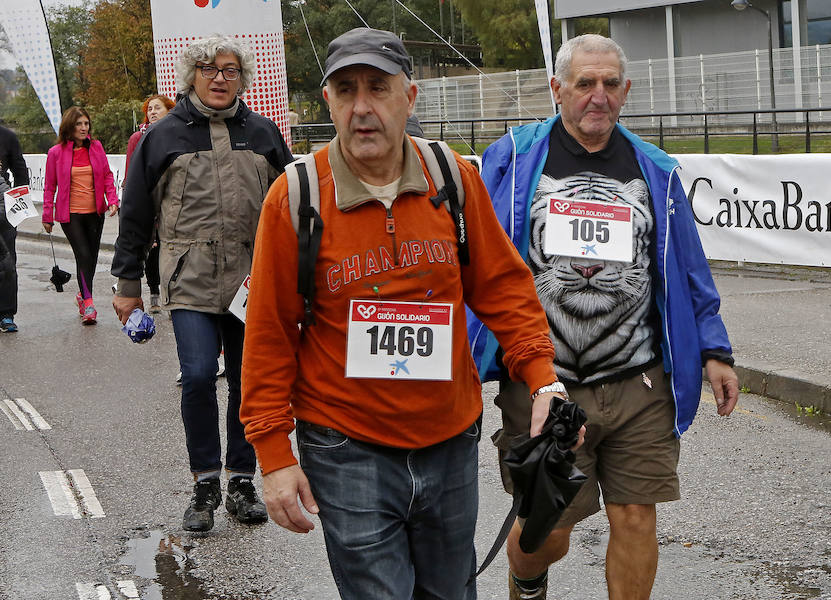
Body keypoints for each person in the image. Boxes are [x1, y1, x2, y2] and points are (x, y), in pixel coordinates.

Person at [239, 27, 569, 599]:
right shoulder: (296, 198)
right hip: (347, 446)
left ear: (409, 98)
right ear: (329, 103)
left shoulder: (453, 179)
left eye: (378, 88)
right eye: (346, 91)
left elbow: (504, 288)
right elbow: (269, 332)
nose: (362, 108)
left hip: (449, 439)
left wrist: (543, 379)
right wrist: (272, 453)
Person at [472, 34, 740, 600]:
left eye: (610, 84)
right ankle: (528, 580)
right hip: (544, 381)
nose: (599, 96)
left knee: (637, 515)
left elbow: (687, 267)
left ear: (626, 91)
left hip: (639, 379)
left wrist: (715, 349)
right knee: (550, 529)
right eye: (585, 83)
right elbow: (477, 256)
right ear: (557, 90)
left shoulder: (655, 170)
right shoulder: (516, 158)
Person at [111, 35, 293, 532]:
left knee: (246, 382)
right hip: (189, 279)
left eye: (230, 70)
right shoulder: (162, 135)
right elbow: (136, 212)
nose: (219, 78)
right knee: (196, 376)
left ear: (242, 78)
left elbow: (294, 209)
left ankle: (240, 481)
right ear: (192, 74)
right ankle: (204, 482)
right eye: (209, 69)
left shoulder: (263, 133)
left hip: (251, 283)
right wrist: (127, 283)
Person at [42, 107, 119, 325]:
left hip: (95, 212)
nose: (84, 128)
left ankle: (82, 296)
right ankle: (89, 303)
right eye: (79, 124)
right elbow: (49, 186)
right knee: (83, 255)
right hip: (71, 214)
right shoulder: (56, 153)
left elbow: (106, 175)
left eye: (86, 124)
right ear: (70, 126)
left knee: (91, 258)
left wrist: (112, 200)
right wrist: (47, 215)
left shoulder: (96, 147)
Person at [124, 94, 175, 313]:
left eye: (157, 108)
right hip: (148, 201)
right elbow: (130, 172)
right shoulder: (138, 137)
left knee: (171, 251)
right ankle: (154, 292)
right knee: (153, 251)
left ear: (169, 111)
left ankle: (172, 297)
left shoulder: (178, 134)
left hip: (172, 202)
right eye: (150, 109)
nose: (152, 112)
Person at [0, 124, 28, 333]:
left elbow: (20, 172)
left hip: (4, 210)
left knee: (8, 263)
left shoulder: (7, 137)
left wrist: (18, 207)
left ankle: (7, 314)